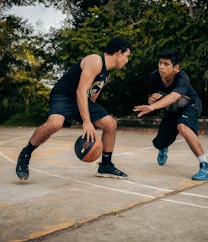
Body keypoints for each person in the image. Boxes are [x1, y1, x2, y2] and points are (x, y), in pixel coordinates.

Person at [16, 36, 131, 180]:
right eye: (127, 56)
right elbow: (80, 91)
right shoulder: (95, 61)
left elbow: (91, 96)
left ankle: (106, 166)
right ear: (119, 53)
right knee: (54, 124)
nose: (127, 60)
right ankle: (25, 154)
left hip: (81, 99)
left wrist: (92, 115)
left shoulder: (106, 74)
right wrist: (87, 121)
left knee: (110, 124)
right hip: (64, 95)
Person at [133, 48, 208, 181]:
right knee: (158, 143)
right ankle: (164, 147)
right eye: (160, 63)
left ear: (175, 67)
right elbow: (150, 99)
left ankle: (206, 166)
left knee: (182, 126)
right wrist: (153, 100)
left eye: (166, 64)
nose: (161, 67)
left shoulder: (182, 77)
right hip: (172, 109)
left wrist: (152, 106)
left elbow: (173, 97)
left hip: (190, 105)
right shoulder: (154, 76)